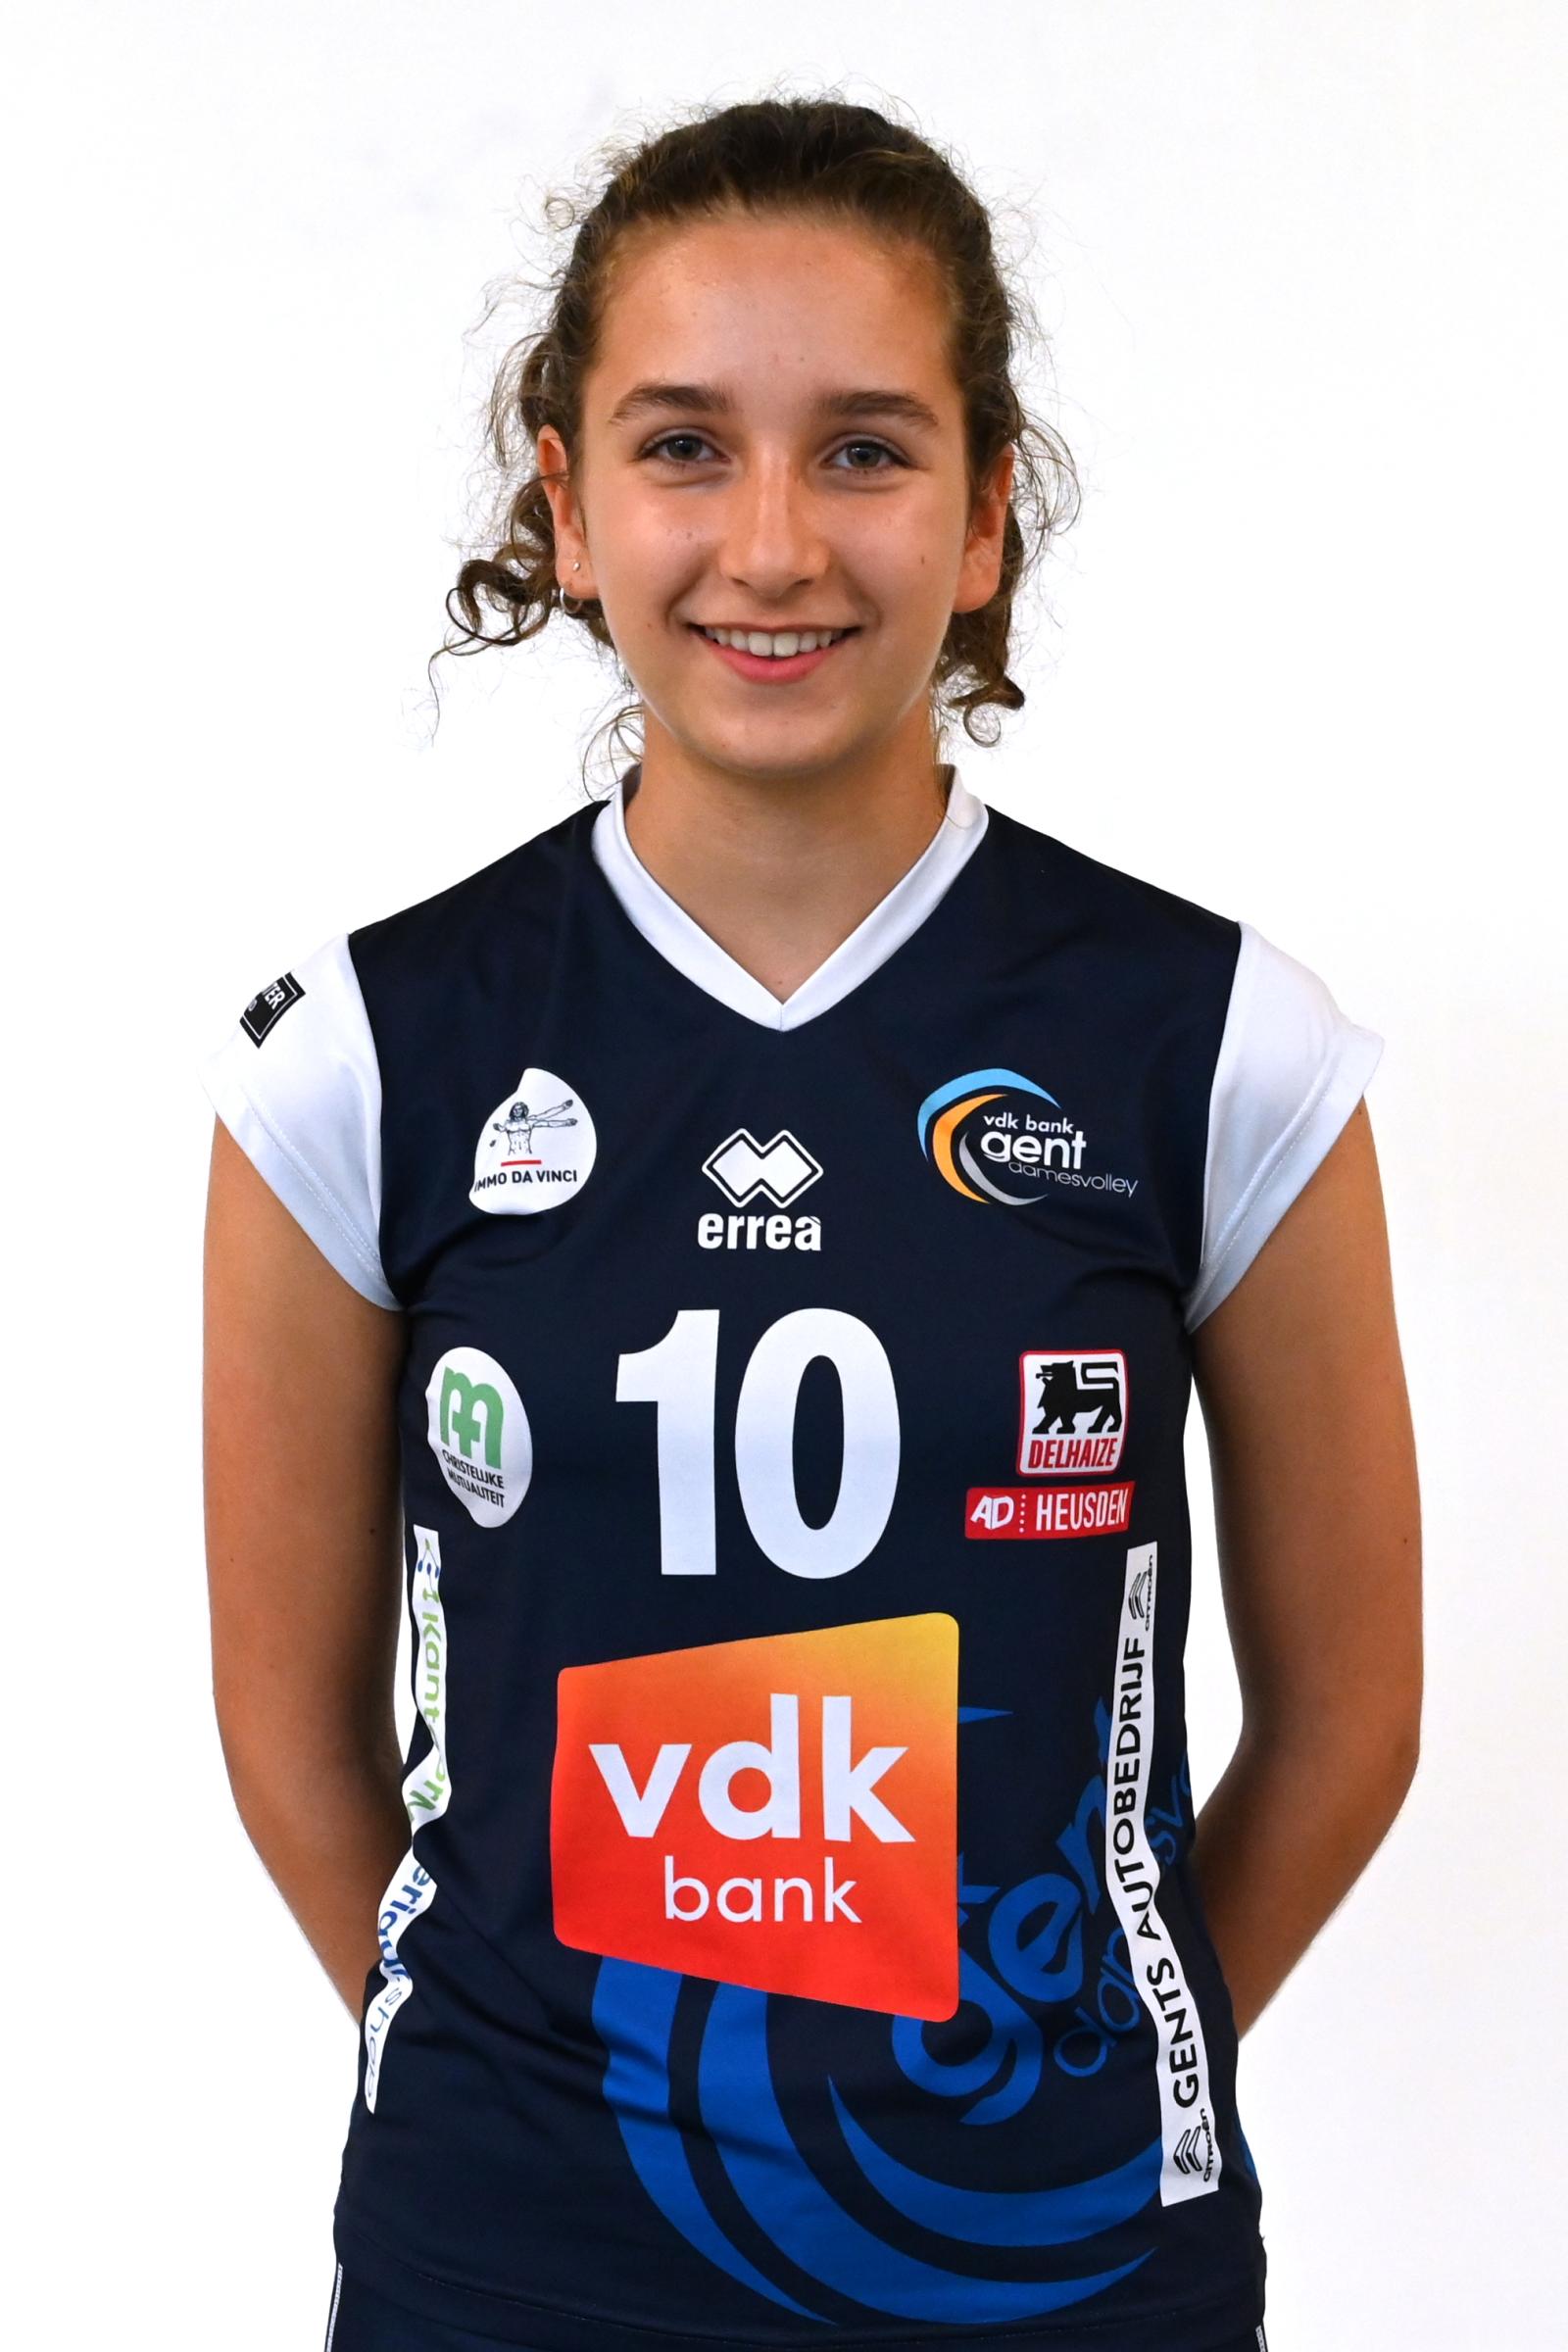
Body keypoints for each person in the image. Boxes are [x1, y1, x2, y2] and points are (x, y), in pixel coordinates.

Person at [199, 94, 1422, 2352]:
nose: (770, 544)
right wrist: (541, 2091)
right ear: (566, 507)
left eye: (862, 450)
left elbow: (1349, 1718)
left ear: (983, 514)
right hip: (504, 2264)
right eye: (683, 448)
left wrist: (1081, 2089)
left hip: (1062, 2270)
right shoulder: (361, 1056)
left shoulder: (1215, 1042)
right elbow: (289, 1738)